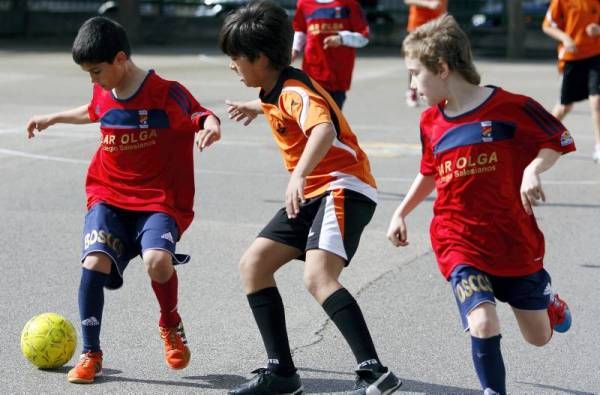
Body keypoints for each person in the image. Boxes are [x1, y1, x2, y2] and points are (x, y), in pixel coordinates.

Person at [25, 16, 221, 384]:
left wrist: (210, 126)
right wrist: (53, 118)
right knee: (94, 262)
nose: (93, 80)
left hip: (157, 199)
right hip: (108, 194)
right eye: (88, 73)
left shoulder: (165, 91)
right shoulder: (103, 88)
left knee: (157, 261)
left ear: (120, 59)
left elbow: (199, 113)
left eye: (96, 71)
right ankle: (91, 353)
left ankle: (170, 323)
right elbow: (94, 110)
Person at [219, 1, 401, 394]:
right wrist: (255, 108)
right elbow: (276, 103)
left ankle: (375, 373)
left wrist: (297, 175)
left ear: (261, 58)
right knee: (254, 265)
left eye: (236, 58)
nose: (232, 66)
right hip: (316, 190)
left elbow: (322, 130)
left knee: (318, 276)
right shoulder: (275, 87)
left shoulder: (296, 91)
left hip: (342, 185)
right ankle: (282, 374)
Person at [387, 15, 573, 395]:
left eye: (414, 73)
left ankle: (549, 300)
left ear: (441, 68)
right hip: (459, 240)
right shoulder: (429, 122)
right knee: (483, 322)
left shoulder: (512, 107)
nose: (411, 85)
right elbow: (429, 172)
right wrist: (400, 212)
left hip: (512, 240)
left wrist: (533, 170)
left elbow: (555, 140)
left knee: (538, 337)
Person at [542, 0, 600, 163]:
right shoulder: (561, 1)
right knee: (564, 106)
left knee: (597, 101)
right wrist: (566, 38)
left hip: (596, 56)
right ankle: (541, 137)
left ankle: (599, 147)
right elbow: (547, 26)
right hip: (571, 58)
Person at [291, 0, 370, 109]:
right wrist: (294, 49)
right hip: (313, 73)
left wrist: (341, 39)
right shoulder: (304, 3)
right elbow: (300, 30)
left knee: (332, 121)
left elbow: (364, 37)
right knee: (314, 118)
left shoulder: (350, 4)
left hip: (338, 77)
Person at [403, 0, 447, 107]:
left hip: (438, 25)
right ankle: (412, 92)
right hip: (419, 25)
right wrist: (428, 4)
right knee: (416, 60)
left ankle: (437, 93)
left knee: (438, 59)